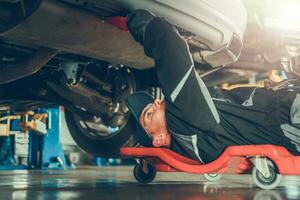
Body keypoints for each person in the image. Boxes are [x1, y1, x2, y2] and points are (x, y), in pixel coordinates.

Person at [122, 10, 300, 163]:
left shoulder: (193, 143)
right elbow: (169, 45)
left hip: (287, 122)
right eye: (150, 114)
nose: (157, 103)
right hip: (290, 115)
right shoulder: (183, 122)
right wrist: (133, 16)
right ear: (159, 138)